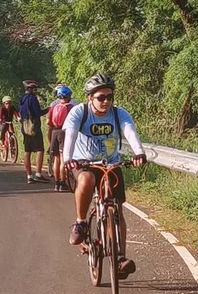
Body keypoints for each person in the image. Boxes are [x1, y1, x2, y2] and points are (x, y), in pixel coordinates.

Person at [63, 73, 147, 278]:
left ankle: (119, 258)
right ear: (90, 97)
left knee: (116, 210)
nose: (106, 101)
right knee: (87, 178)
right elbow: (70, 136)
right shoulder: (78, 112)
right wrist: (68, 158)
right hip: (83, 163)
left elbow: (130, 132)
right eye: (101, 97)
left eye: (110, 97)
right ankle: (81, 222)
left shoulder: (119, 114)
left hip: (111, 163)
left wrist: (139, 152)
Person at [19, 79, 49, 184]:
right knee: (40, 149)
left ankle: (29, 176)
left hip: (25, 127)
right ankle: (38, 174)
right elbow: (38, 112)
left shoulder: (22, 98)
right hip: (34, 128)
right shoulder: (32, 98)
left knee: (27, 151)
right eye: (33, 88)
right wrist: (48, 109)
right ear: (29, 88)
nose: (35, 90)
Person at [47, 86, 74, 192]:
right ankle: (63, 182)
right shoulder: (70, 107)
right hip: (64, 132)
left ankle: (56, 183)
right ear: (68, 96)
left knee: (56, 159)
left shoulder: (54, 107)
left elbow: (48, 122)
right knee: (63, 158)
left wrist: (54, 126)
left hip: (54, 131)